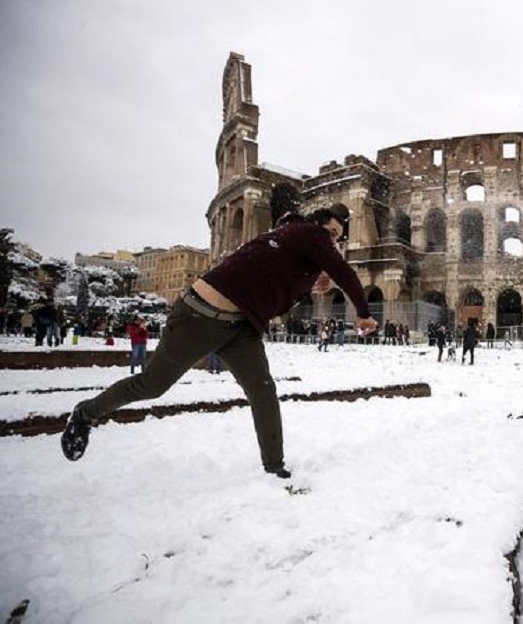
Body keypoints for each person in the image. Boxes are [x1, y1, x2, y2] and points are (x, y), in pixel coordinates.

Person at [60, 204, 378, 478]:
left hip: (240, 329)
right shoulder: (305, 233)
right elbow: (345, 273)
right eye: (331, 233)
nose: (332, 240)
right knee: (152, 385)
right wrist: (363, 313)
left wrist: (307, 283)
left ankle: (274, 468)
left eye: (337, 236)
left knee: (263, 391)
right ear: (317, 226)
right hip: (197, 317)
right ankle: (85, 413)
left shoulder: (294, 251)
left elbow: (273, 293)